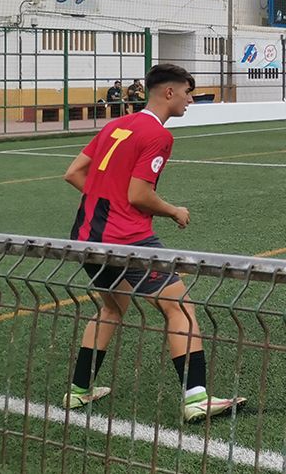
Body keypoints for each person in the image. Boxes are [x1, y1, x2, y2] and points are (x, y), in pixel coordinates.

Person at [62, 64, 246, 423]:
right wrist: (174, 211)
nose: (190, 100)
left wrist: (110, 199)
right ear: (169, 92)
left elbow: (73, 173)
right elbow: (139, 195)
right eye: (188, 93)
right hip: (128, 239)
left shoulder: (116, 125)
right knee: (180, 307)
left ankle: (79, 391)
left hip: (86, 236)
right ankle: (196, 398)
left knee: (111, 309)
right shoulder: (158, 135)